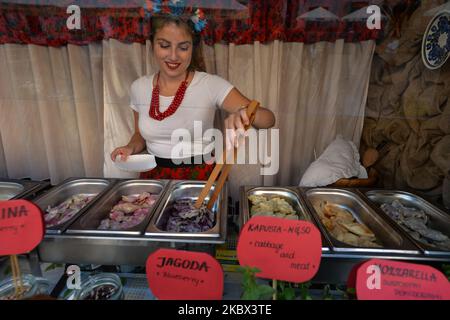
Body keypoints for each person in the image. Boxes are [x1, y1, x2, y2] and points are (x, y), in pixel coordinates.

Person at [111, 12, 275, 180]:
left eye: (183, 47)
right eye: (164, 45)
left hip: (201, 176)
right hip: (154, 176)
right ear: (152, 45)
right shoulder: (139, 87)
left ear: (192, 48)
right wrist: (130, 148)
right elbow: (140, 135)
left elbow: (269, 120)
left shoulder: (210, 84)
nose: (173, 56)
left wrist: (245, 112)